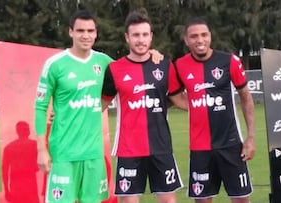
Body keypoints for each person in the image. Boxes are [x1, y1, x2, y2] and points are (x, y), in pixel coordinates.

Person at [101, 11, 188, 203]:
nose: (140, 40)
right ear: (127, 37)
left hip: (161, 148)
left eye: (144, 34)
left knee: (168, 201)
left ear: (151, 36)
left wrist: (210, 104)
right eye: (135, 35)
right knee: (129, 201)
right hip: (128, 150)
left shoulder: (165, 66)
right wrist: (64, 112)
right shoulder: (115, 69)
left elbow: (179, 100)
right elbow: (100, 105)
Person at [34, 10, 113, 203]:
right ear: (71, 32)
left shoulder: (104, 62)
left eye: (90, 31)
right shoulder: (55, 64)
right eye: (80, 30)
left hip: (93, 153)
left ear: (96, 33)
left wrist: (151, 53)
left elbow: (131, 72)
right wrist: (41, 150)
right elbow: (40, 107)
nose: (85, 35)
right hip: (64, 153)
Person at [174, 17, 256, 203]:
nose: (200, 40)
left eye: (204, 35)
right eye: (194, 36)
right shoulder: (179, 65)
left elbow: (246, 98)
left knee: (241, 199)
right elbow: (174, 94)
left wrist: (250, 138)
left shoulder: (230, 61)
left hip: (231, 145)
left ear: (210, 36)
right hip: (200, 148)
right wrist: (195, 105)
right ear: (186, 40)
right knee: (202, 200)